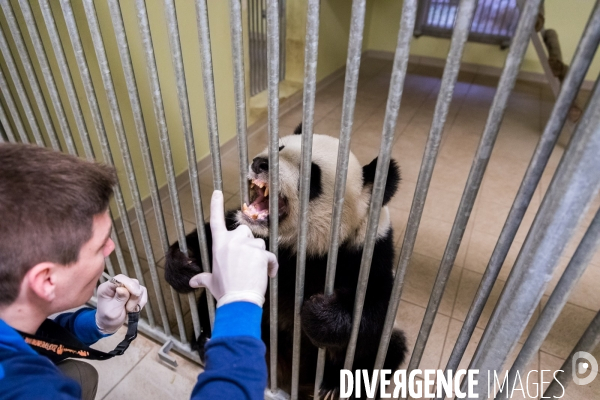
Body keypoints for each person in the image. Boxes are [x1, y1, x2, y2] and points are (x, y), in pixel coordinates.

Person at [0, 143, 277, 400]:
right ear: (46, 280)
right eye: (99, 246)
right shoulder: (32, 390)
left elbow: (29, 339)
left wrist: (96, 323)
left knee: (81, 375)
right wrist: (240, 307)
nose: (110, 247)